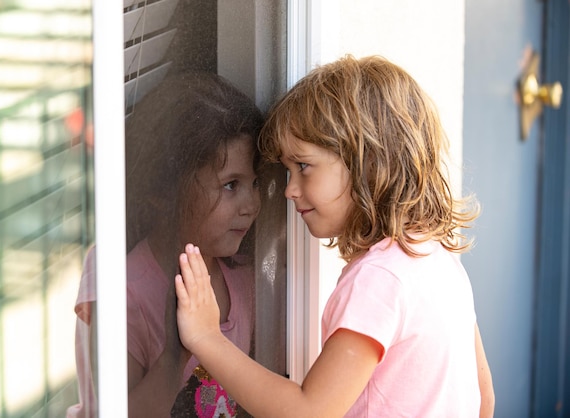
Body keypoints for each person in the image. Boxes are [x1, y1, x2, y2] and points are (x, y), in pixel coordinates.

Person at [174, 55, 495, 417]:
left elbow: (308, 411)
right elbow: (484, 400)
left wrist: (207, 338)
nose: (289, 190)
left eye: (303, 167)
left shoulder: (378, 281)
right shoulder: (437, 260)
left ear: (367, 164)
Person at [67, 72, 263, 418]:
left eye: (254, 182)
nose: (252, 205)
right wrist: (177, 352)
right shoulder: (118, 291)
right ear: (163, 193)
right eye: (231, 185)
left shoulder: (243, 275)